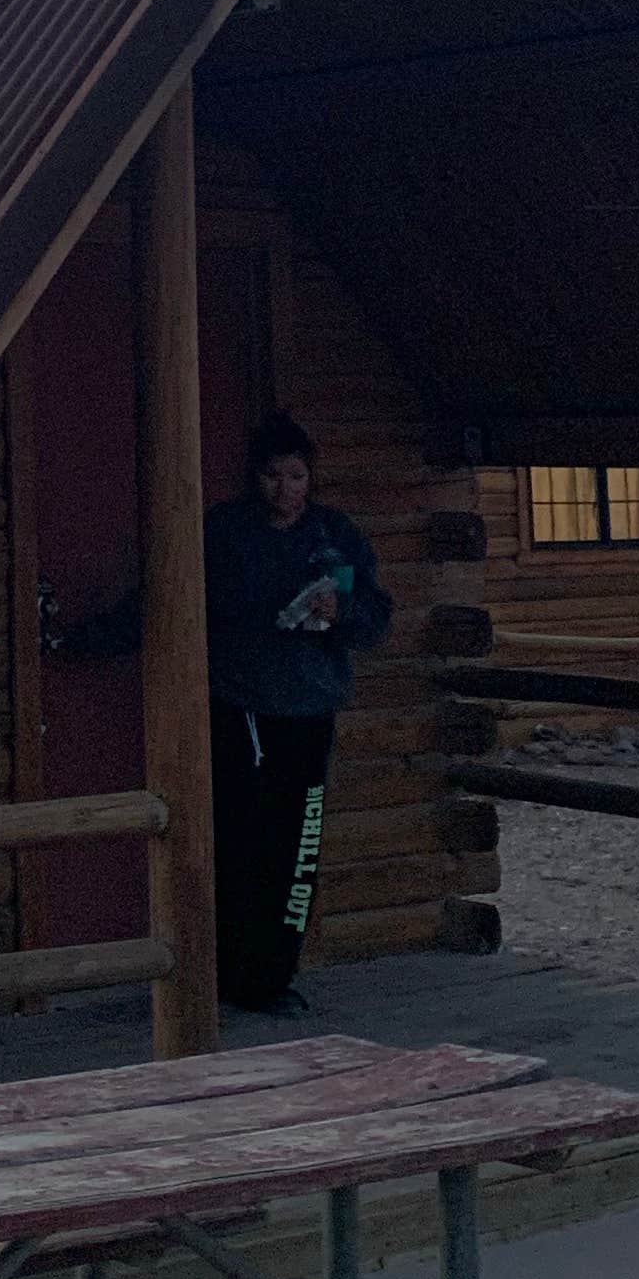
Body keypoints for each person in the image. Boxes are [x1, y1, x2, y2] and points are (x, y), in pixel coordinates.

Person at [201, 411, 393, 1012]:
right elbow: (173, 597)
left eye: (296, 476)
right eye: (272, 476)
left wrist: (342, 611)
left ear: (311, 477)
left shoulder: (335, 536)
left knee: (300, 845)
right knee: (239, 840)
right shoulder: (225, 532)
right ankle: (226, 971)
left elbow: (377, 618)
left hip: (310, 712)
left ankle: (274, 976)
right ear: (254, 477)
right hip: (243, 707)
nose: (284, 489)